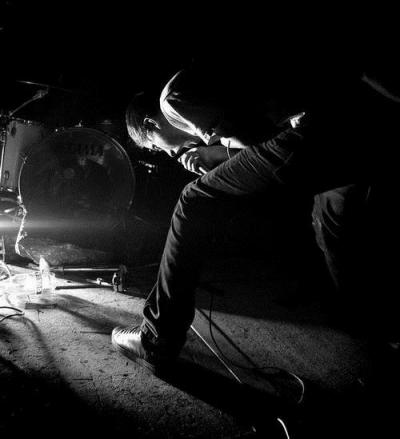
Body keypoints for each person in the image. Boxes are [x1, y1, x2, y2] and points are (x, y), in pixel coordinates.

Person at [111, 60, 399, 375]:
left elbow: (258, 140)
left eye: (155, 147)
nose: (168, 154)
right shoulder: (202, 96)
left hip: (321, 130)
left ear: (151, 124)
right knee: (332, 223)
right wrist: (224, 158)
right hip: (359, 128)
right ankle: (386, 331)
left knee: (193, 199)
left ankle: (156, 340)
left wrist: (217, 156)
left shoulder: (174, 100)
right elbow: (267, 137)